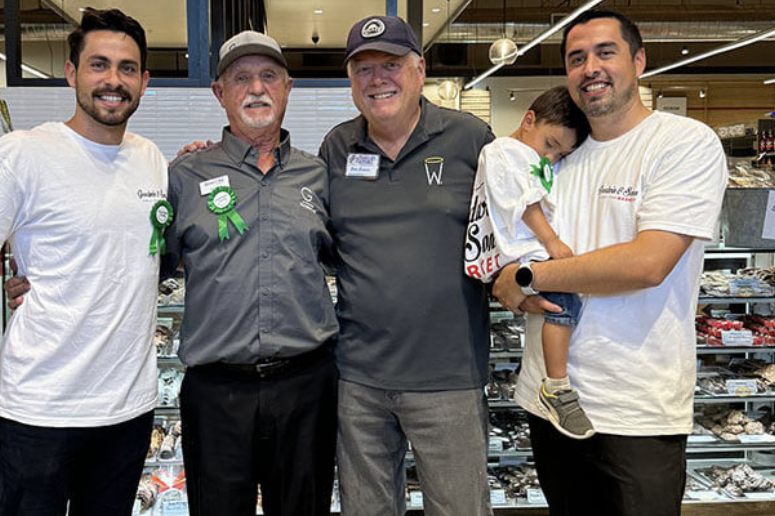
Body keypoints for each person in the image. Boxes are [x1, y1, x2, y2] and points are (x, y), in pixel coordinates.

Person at [0, 9, 166, 516]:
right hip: (39, 412)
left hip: (128, 411)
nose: (113, 81)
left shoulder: (152, 160)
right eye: (99, 65)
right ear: (72, 72)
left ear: (143, 81)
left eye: (127, 68)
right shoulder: (21, 155)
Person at [491, 9, 728, 516]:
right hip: (548, 402)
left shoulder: (682, 143)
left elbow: (647, 264)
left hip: (636, 410)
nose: (590, 68)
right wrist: (501, 282)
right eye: (576, 59)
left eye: (605, 52)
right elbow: (512, 241)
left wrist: (527, 276)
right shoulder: (557, 157)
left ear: (639, 61)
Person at [318, 16, 495, 516]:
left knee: (460, 508)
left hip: (450, 378)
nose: (378, 79)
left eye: (391, 65)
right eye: (364, 69)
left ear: (419, 69)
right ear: (352, 82)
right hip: (359, 380)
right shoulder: (337, 146)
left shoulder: (469, 139)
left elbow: (512, 226)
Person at [163, 31, 339, 516]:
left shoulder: (319, 176)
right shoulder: (183, 177)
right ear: (220, 93)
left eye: (268, 77)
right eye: (241, 78)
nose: (256, 89)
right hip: (216, 392)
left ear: (287, 88)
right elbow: (139, 266)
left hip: (307, 386)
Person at [463, 86, 594, 439]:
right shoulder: (508, 151)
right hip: (521, 251)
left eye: (561, 153)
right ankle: (557, 386)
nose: (551, 157)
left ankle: (556, 384)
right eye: (550, 144)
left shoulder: (523, 156)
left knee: (560, 305)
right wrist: (553, 244)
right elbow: (527, 205)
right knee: (563, 304)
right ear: (528, 120)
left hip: (513, 253)